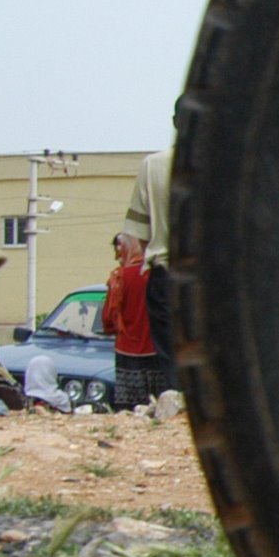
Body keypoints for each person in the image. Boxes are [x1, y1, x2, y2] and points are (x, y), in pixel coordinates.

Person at [119, 147, 174, 393]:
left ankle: (178, 402)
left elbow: (139, 234)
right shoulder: (224, 160)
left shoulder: (152, 165)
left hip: (166, 270)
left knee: (171, 348)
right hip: (212, 275)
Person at [103, 233, 166, 411]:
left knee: (129, 409)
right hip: (157, 348)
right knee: (159, 405)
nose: (118, 257)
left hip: (127, 350)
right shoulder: (159, 274)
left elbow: (108, 318)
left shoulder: (120, 277)